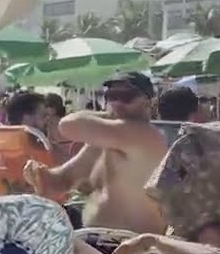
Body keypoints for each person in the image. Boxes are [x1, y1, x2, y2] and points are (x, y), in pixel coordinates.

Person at [24, 72, 168, 235]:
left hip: (133, 249)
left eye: (127, 97)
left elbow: (68, 125)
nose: (117, 103)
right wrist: (39, 175)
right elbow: (63, 180)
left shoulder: (146, 136)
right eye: (112, 96)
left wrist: (109, 115)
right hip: (97, 239)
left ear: (149, 102)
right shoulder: (106, 139)